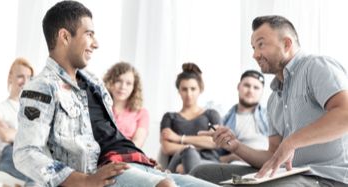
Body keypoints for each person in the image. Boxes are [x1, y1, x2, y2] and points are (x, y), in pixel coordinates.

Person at [13, 1, 219, 187]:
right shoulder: (41, 87)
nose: (96, 43)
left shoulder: (94, 82)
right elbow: (25, 153)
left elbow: (110, 135)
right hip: (104, 173)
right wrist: (85, 181)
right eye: (89, 34)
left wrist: (141, 159)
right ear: (65, 36)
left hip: (137, 164)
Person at [190, 15, 348, 186]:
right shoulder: (274, 99)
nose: (255, 54)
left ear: (287, 44)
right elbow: (273, 156)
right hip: (289, 173)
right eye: (253, 47)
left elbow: (344, 114)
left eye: (261, 45)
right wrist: (236, 146)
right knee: (202, 173)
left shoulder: (316, 66)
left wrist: (292, 141)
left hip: (330, 177)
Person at [160, 62, 221, 174]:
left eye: (193, 89)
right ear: (178, 90)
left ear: (200, 89)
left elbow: (214, 142)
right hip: (179, 161)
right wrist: (195, 146)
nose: (189, 94)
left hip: (208, 162)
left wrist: (179, 139)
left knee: (184, 166)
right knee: (188, 153)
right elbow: (167, 147)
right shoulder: (169, 117)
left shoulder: (211, 114)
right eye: (184, 89)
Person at [0, 57, 34, 184]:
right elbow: (5, 135)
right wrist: (29, 135)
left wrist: (15, 132)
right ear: (10, 77)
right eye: (20, 76)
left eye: (29, 77)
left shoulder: (33, 111)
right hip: (11, 155)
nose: (25, 81)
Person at [218, 70, 268, 165]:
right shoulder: (225, 120)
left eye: (256, 88)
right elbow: (219, 155)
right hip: (238, 164)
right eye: (247, 85)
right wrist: (231, 157)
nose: (250, 91)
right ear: (238, 87)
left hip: (267, 161)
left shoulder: (271, 116)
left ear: (262, 92)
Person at [103, 62, 149, 148]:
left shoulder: (142, 113)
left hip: (128, 154)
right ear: (110, 82)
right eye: (118, 81)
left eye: (128, 83)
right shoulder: (100, 107)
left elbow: (138, 142)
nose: (123, 87)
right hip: (102, 154)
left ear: (134, 87)